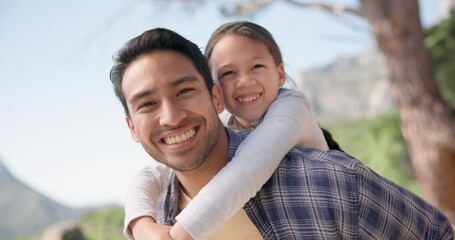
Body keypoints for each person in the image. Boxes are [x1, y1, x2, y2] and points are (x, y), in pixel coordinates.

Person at [110, 27, 454, 239]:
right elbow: (149, 174)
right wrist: (141, 224)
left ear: (215, 99)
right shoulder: (155, 213)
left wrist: (180, 235)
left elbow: (435, 234)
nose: (171, 117)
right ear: (131, 128)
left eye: (184, 91)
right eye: (147, 104)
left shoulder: (330, 178)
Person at [124, 21, 342, 240]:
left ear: (280, 73)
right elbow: (153, 172)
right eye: (228, 73)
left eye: (256, 66)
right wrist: (140, 224)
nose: (244, 81)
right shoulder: (223, 121)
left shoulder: (292, 107)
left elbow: (249, 167)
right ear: (215, 90)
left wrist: (178, 235)